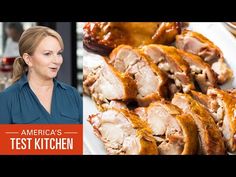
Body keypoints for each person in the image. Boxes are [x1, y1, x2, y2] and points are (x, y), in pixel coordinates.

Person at [0, 26, 82, 124]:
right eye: (47, 54)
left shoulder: (72, 95)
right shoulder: (7, 99)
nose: (57, 61)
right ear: (28, 59)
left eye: (59, 53)